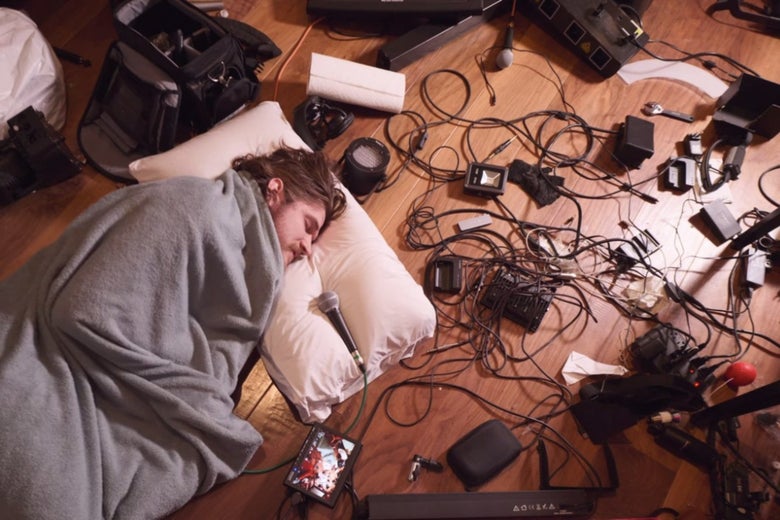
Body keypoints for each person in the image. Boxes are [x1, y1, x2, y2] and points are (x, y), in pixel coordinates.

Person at [0, 146, 347, 519]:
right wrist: (202, 404)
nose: (308, 247)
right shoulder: (198, 206)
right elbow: (90, 310)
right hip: (48, 360)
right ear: (275, 190)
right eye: (309, 225)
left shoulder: (248, 260)